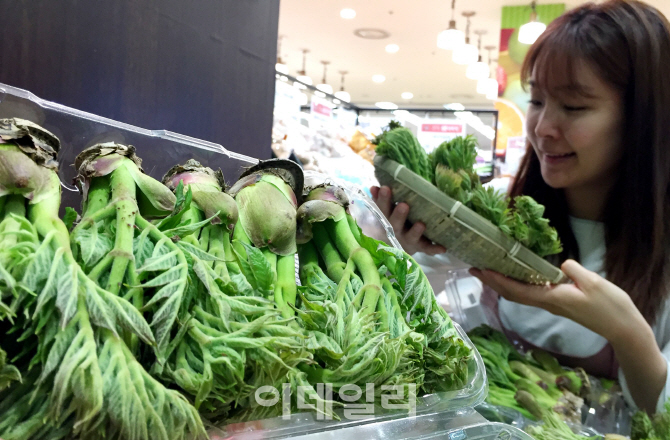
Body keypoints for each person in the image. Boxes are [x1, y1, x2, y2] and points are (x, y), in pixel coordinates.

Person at [371, 0, 670, 413]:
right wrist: (401, 251)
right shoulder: (497, 215)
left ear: (643, 118)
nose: (543, 129)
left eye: (575, 107)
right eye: (537, 101)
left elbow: (659, 414)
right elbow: (408, 304)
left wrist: (628, 333)